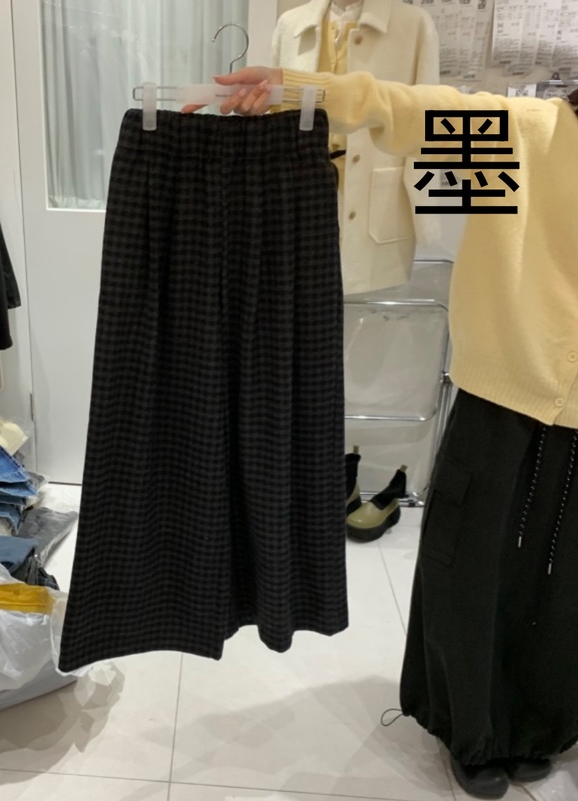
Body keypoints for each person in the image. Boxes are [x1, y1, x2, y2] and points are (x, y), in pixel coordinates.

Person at [185, 66, 578, 800]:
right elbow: (406, 112)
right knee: (470, 565)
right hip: (501, 391)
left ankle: (542, 723)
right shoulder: (531, 134)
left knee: (563, 583)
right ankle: (468, 725)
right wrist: (298, 89)